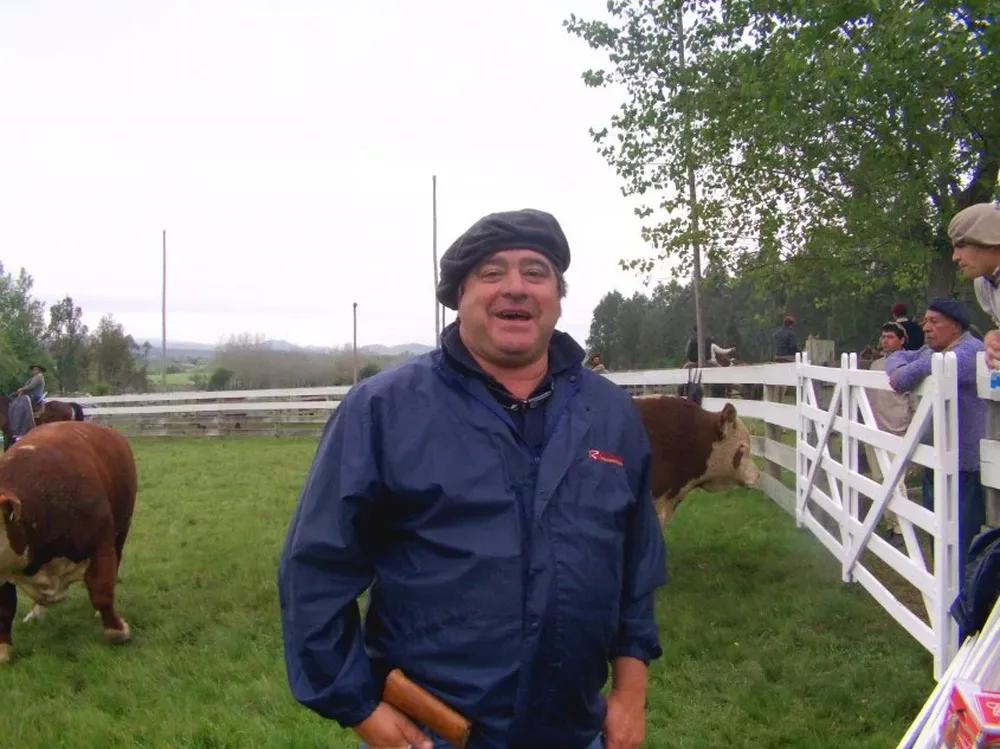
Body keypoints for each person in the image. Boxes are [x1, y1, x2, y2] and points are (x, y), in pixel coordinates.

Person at [277, 208, 669, 749]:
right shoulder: (383, 410)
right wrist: (361, 708)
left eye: (536, 272)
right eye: (491, 273)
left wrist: (629, 695)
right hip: (434, 734)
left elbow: (636, 566)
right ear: (459, 295)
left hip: (578, 732)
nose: (516, 288)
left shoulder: (609, 413)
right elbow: (315, 572)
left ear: (557, 295)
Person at [885, 298, 986, 592]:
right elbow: (896, 358)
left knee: (963, 541)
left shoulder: (970, 354)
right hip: (936, 463)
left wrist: (908, 366)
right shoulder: (935, 352)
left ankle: (965, 609)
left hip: (966, 468)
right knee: (937, 536)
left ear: (955, 325)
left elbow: (901, 376)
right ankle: (944, 596)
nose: (926, 328)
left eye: (934, 322)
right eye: (925, 321)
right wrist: (905, 363)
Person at [863, 322, 917, 548]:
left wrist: (913, 427)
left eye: (890, 337)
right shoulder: (875, 365)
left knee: (895, 481)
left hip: (897, 428)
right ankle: (889, 522)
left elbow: (914, 400)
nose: (885, 340)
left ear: (902, 340)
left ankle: (900, 528)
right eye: (883, 336)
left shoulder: (908, 365)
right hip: (875, 427)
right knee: (878, 479)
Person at [948, 201, 1000, 369]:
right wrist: (994, 336)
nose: (955, 257)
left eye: (961, 245)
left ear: (989, 239)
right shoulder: (983, 283)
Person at [8, 363, 46, 442]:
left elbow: (31, 386)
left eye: (35, 369)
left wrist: (22, 389)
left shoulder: (39, 377)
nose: (33, 371)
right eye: (33, 369)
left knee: (21, 404)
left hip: (35, 396)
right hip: (30, 394)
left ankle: (21, 427)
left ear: (39, 371)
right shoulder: (34, 377)